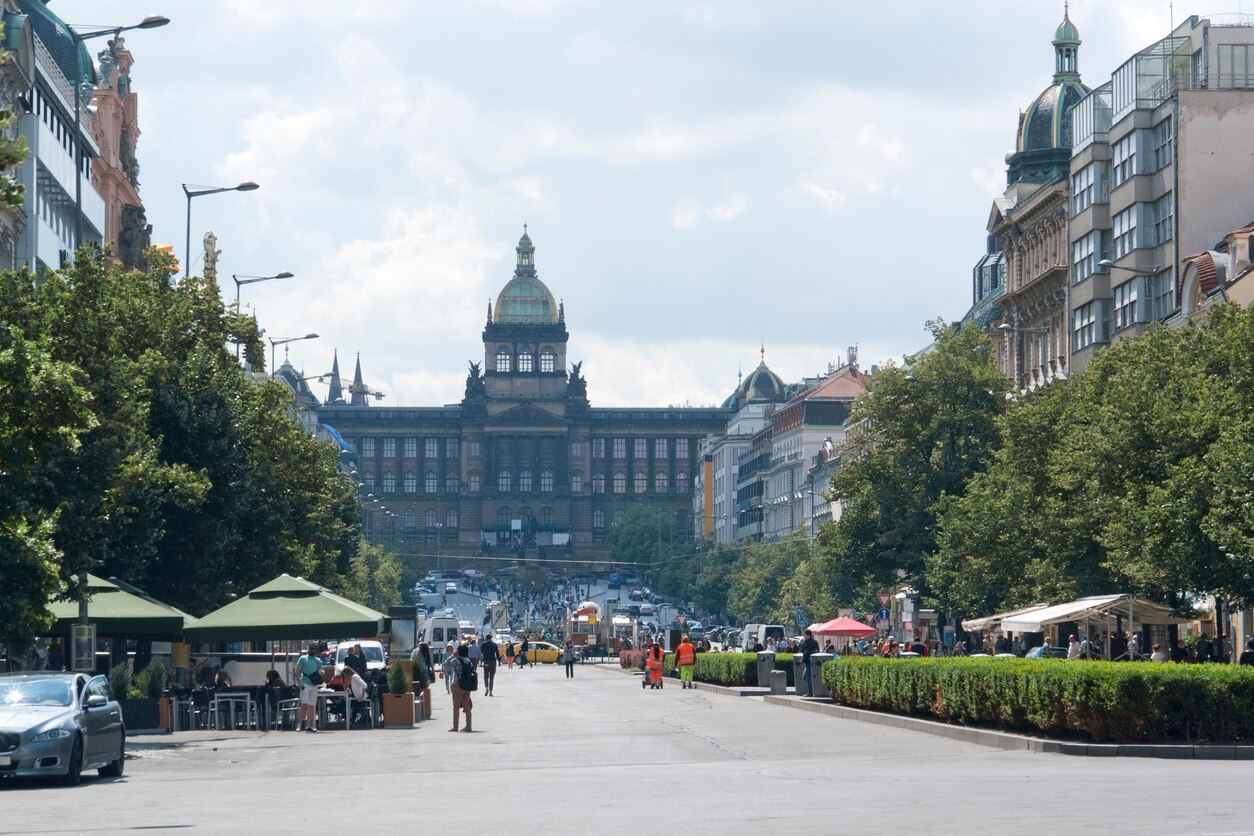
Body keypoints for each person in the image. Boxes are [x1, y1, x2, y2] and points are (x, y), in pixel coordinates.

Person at [295, 643, 321, 733]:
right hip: (305, 683)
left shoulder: (318, 660)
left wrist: (322, 672)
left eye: (314, 648)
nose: (312, 650)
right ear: (308, 649)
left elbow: (319, 671)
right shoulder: (303, 658)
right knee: (304, 704)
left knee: (311, 705)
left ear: (316, 650)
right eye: (311, 648)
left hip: (314, 684)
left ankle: (309, 725)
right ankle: (299, 724)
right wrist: (299, 682)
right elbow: (297, 671)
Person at [448, 644, 473, 733]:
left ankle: (455, 727)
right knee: (467, 707)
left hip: (457, 685)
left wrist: (453, 655)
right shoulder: (468, 661)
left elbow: (445, 665)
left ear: (458, 651)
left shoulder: (455, 660)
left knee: (456, 707)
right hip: (467, 686)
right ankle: (468, 726)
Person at [800, 628, 820, 697]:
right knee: (805, 677)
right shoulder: (812, 642)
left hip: (809, 661)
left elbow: (806, 652)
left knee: (807, 677)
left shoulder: (810, 642)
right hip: (810, 662)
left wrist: (803, 659)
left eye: (804, 635)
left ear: (808, 635)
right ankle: (811, 690)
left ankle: (810, 692)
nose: (803, 636)